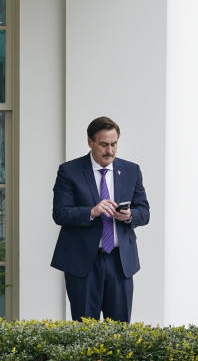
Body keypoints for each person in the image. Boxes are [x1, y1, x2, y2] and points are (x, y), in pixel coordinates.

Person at [50, 116, 149, 322]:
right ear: (90, 142)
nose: (110, 151)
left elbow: (144, 212)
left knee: (120, 332)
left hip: (120, 262)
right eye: (104, 144)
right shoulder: (69, 171)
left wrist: (130, 215)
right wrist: (92, 211)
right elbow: (60, 213)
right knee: (85, 331)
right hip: (84, 262)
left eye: (114, 144)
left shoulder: (131, 170)